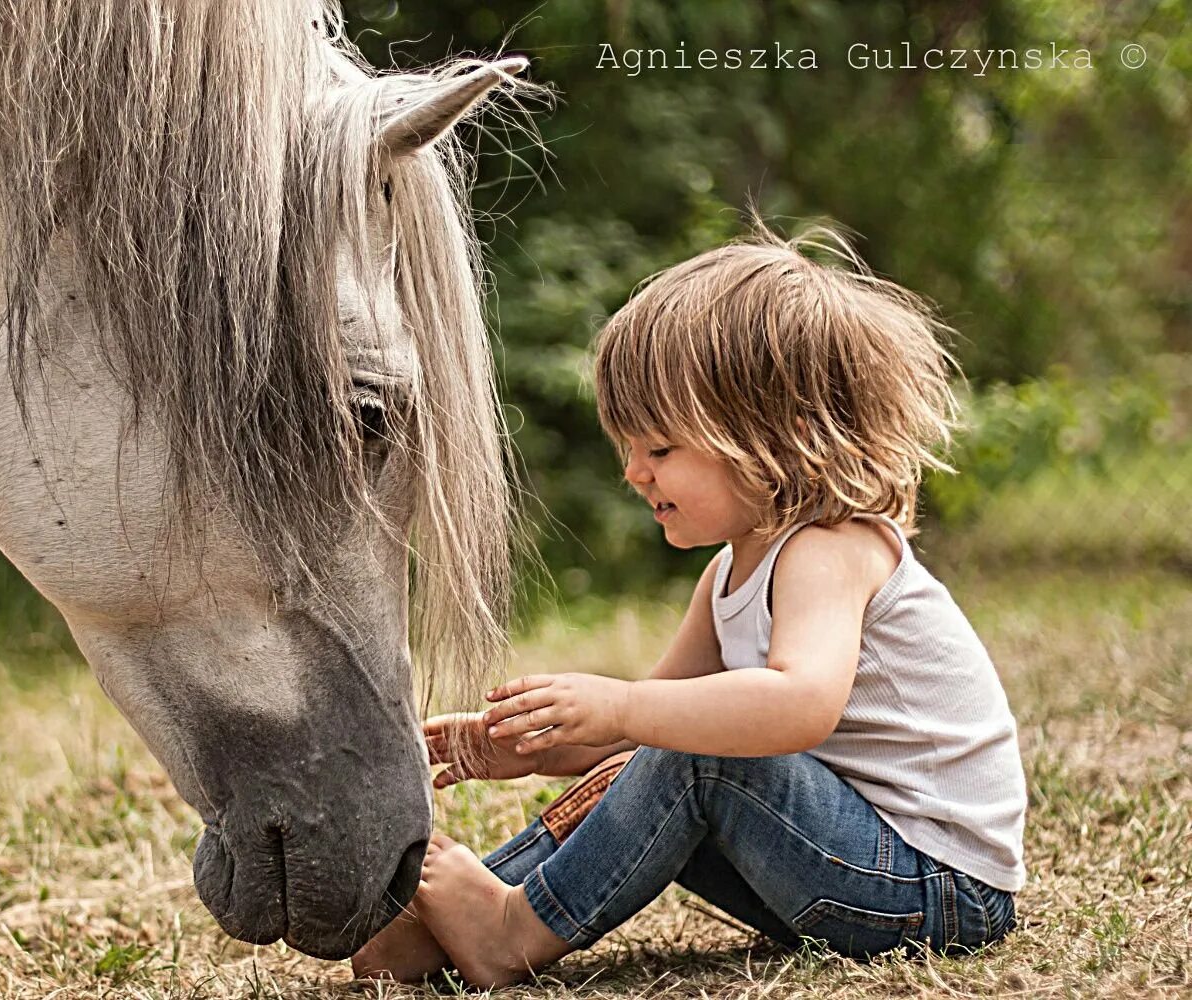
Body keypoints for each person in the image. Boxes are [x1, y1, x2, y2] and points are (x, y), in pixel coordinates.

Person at [351, 220, 1027, 988]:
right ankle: (448, 920)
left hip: (936, 891)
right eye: (627, 448)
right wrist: (536, 745)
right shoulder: (729, 576)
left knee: (696, 751)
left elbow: (799, 705)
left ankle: (510, 933)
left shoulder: (831, 548)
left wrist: (625, 709)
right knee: (656, 751)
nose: (634, 473)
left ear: (783, 434)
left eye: (661, 449)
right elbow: (647, 728)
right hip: (844, 866)